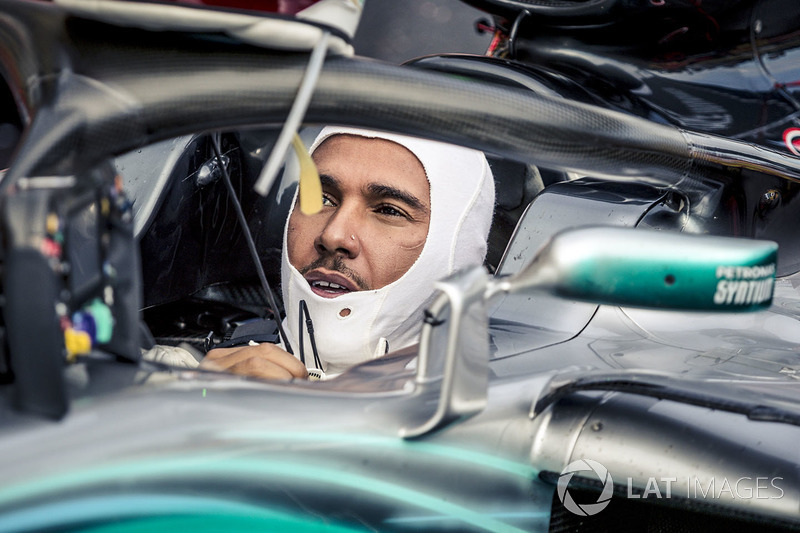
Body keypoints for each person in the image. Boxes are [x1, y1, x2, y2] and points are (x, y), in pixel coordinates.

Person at [163, 126, 495, 379]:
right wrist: (196, 406)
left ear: (455, 249)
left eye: (389, 211)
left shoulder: (506, 426)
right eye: (322, 199)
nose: (333, 235)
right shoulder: (186, 376)